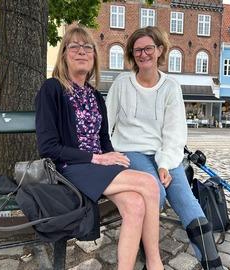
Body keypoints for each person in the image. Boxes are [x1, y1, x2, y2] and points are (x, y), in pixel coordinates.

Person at [35, 26, 163, 270]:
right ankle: (155, 264)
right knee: (148, 183)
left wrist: (110, 156)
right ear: (63, 55)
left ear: (94, 57)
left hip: (95, 167)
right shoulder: (51, 89)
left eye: (87, 48)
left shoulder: (94, 95)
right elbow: (48, 147)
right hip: (69, 168)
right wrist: (95, 158)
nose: (81, 52)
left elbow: (104, 140)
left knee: (135, 204)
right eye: (74, 46)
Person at [106, 26, 223, 270]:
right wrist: (108, 153)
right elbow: (107, 123)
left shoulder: (171, 87)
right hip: (130, 151)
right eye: (137, 50)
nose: (143, 54)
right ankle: (149, 257)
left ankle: (213, 264)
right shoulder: (121, 83)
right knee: (155, 193)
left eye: (149, 48)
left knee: (186, 200)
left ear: (159, 50)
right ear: (132, 54)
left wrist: (164, 163)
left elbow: (175, 132)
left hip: (165, 154)